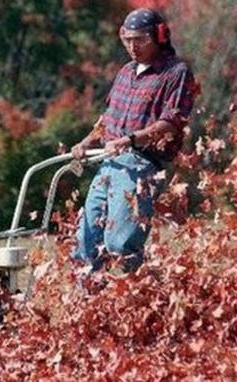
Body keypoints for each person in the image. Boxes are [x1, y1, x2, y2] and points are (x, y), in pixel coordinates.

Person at [70, 8, 197, 273]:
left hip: (142, 165)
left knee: (119, 243)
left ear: (160, 36)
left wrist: (130, 140)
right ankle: (89, 307)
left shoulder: (175, 72)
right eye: (127, 39)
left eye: (140, 39)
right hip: (109, 162)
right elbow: (108, 119)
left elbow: (171, 123)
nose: (132, 46)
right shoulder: (126, 72)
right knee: (86, 241)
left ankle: (135, 304)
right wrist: (86, 142)